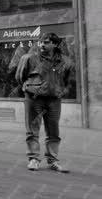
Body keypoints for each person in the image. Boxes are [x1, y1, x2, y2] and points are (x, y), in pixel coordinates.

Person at [16, 33, 74, 173]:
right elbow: (20, 76)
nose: (42, 45)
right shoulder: (29, 58)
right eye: (40, 42)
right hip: (34, 99)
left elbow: (69, 81)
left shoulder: (65, 62)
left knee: (53, 131)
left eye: (46, 42)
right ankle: (33, 159)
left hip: (54, 100)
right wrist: (29, 88)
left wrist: (61, 91)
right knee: (32, 130)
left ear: (55, 44)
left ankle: (52, 160)